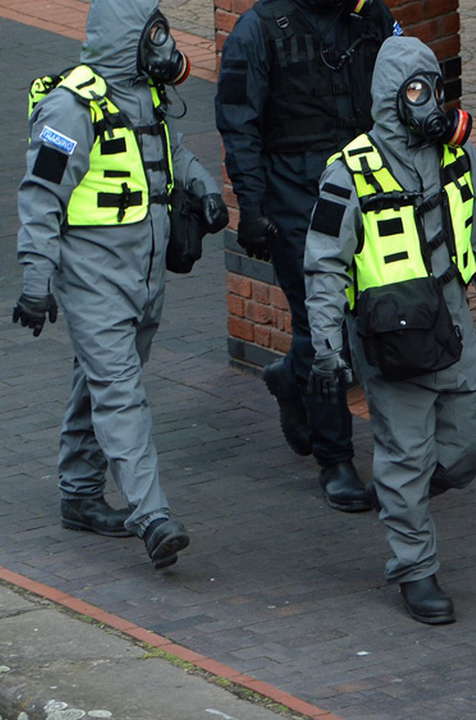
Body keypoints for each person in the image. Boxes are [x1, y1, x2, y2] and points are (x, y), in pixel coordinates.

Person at [303, 36, 476, 624]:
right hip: (388, 337)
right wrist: (326, 349)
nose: (427, 103)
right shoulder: (348, 174)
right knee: (403, 455)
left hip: (452, 322)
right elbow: (323, 265)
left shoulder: (460, 159)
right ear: (390, 99)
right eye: (414, 92)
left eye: (432, 89)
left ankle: (411, 494)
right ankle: (415, 570)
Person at [12, 0, 226, 569]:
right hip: (93, 277)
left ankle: (80, 493)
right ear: (127, 38)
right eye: (155, 35)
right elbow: (40, 196)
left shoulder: (147, 96)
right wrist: (36, 280)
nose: (165, 47)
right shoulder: (68, 110)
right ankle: (151, 514)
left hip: (146, 273)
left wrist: (205, 189)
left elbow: (173, 153)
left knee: (102, 378)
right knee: (120, 390)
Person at [216, 0, 398, 512]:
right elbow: (239, 125)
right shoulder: (257, 30)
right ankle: (335, 458)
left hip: (366, 189)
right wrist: (250, 208)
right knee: (322, 326)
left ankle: (290, 375)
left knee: (375, 312)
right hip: (297, 199)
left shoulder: (371, 17)